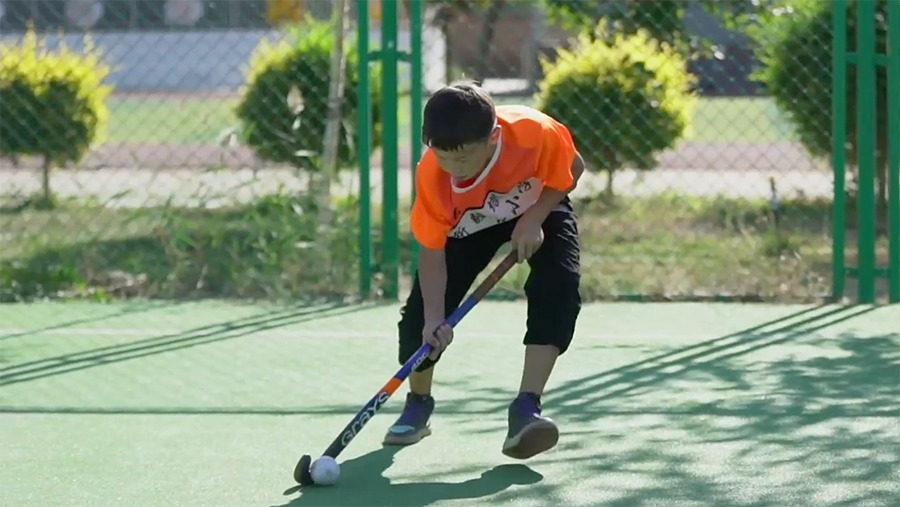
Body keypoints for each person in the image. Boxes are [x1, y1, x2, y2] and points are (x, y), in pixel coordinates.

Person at [383, 81, 585, 460]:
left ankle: (526, 409)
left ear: (493, 137)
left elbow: (573, 168)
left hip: (536, 204)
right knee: (418, 321)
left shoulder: (533, 131)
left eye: (462, 160)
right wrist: (433, 319)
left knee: (559, 287)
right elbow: (432, 252)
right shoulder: (433, 174)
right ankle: (418, 402)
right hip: (466, 228)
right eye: (442, 156)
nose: (452, 169)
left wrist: (535, 218)